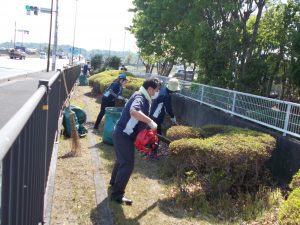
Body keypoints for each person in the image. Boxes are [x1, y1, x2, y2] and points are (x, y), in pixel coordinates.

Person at [109, 77, 161, 205]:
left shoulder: (142, 95)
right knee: (127, 164)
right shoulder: (140, 97)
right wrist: (150, 121)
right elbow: (134, 111)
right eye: (156, 90)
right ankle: (117, 195)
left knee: (121, 160)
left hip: (122, 134)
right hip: (124, 135)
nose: (157, 93)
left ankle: (113, 183)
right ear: (150, 89)